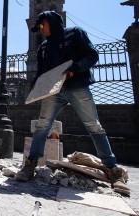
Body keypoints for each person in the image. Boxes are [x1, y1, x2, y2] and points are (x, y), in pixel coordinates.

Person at [15, 11, 130, 196]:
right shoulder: (43, 48)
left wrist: (74, 69)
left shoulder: (75, 33)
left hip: (77, 86)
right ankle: (30, 165)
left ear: (51, 21)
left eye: (43, 26)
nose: (41, 31)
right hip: (53, 92)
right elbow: (41, 72)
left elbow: (91, 55)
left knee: (94, 125)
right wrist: (35, 84)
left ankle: (113, 171)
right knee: (42, 125)